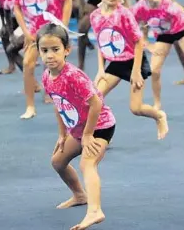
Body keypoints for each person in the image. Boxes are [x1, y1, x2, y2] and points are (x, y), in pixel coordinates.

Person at [38, 22, 115, 230]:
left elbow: (96, 103)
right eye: (44, 50)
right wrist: (62, 135)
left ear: (67, 50)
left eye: (55, 50)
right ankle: (80, 195)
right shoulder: (47, 76)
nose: (49, 55)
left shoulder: (73, 76)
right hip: (78, 128)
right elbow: (58, 104)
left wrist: (89, 134)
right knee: (57, 162)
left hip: (100, 125)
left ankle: (95, 211)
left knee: (87, 163)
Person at [90, 0, 169, 139]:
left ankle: (159, 116)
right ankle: (100, 133)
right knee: (95, 98)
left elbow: (139, 42)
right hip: (115, 63)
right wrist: (100, 70)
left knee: (136, 108)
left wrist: (136, 71)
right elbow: (101, 42)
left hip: (134, 61)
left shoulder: (124, 14)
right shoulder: (95, 16)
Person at [6, 0, 73, 119]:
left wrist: (63, 26)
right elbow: (17, 8)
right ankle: (30, 107)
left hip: (51, 28)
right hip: (33, 31)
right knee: (28, 63)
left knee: (55, 65)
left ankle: (60, 99)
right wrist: (26, 33)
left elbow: (67, 0)